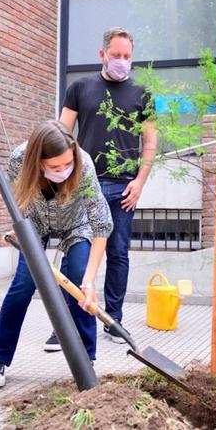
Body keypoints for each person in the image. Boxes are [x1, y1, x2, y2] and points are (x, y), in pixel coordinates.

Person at [0, 120, 113, 389]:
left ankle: (86, 360)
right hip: (36, 224)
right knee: (23, 285)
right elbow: (18, 199)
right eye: (55, 167)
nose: (64, 171)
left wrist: (90, 281)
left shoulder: (84, 165)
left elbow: (101, 224)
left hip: (78, 224)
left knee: (77, 280)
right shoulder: (20, 159)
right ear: (38, 161)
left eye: (68, 165)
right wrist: (17, 228)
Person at [53, 27, 157, 348]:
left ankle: (114, 320)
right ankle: (66, 326)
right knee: (77, 254)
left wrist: (139, 182)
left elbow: (150, 142)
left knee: (118, 253)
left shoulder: (143, 95)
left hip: (124, 188)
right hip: (85, 185)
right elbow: (61, 135)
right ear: (102, 55)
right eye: (116, 56)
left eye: (127, 56)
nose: (122, 61)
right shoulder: (80, 88)